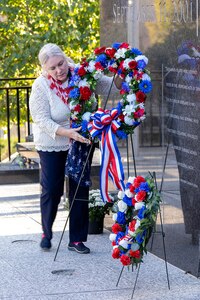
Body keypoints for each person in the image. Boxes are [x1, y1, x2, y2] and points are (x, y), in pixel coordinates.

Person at [29, 43, 122, 254]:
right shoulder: (40, 86)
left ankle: (77, 239)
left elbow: (111, 86)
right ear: (45, 69)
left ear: (65, 58)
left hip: (80, 139)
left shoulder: (83, 75)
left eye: (60, 64)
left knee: (80, 186)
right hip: (52, 142)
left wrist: (123, 69)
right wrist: (66, 132)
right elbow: (41, 119)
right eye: (52, 68)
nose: (58, 70)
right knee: (52, 188)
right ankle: (46, 231)